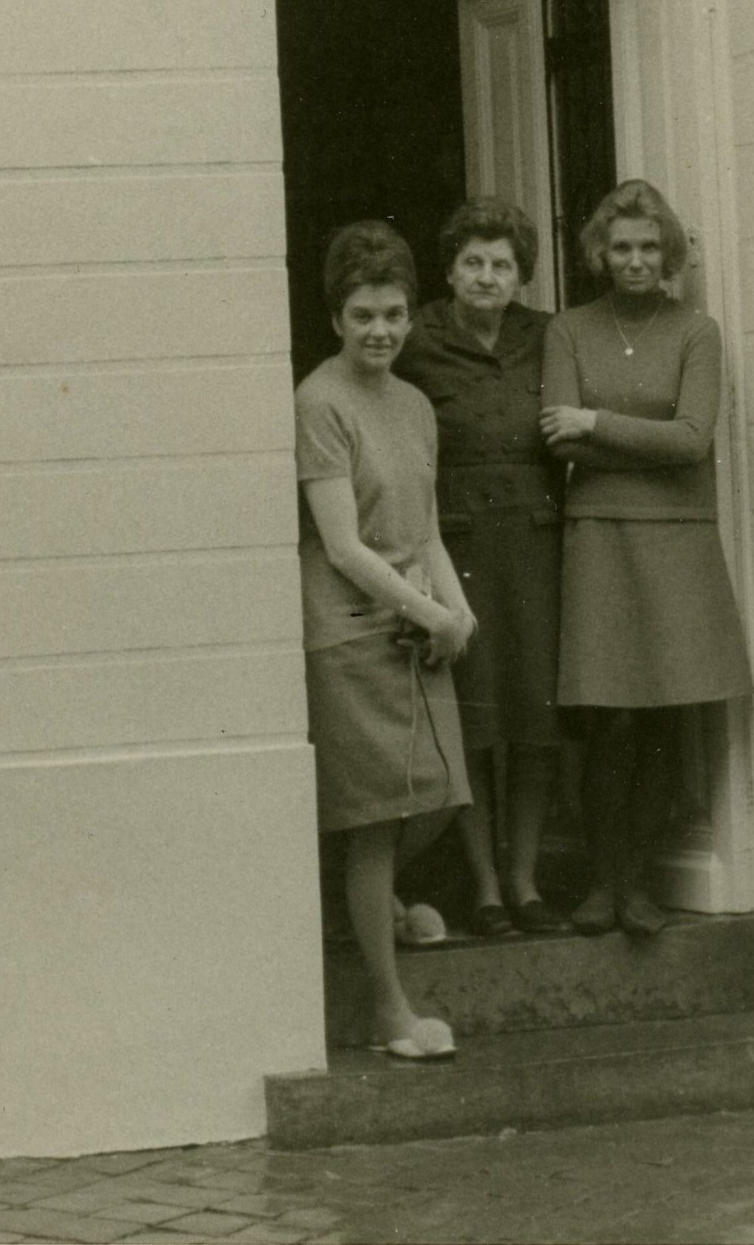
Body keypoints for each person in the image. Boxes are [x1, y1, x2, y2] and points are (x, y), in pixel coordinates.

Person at [539, 181, 753, 938]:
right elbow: (554, 437)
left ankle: (640, 885)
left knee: (666, 716)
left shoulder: (698, 331)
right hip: (599, 535)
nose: (635, 260)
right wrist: (627, 437)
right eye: (622, 247)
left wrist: (597, 420)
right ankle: (602, 882)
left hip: (678, 538)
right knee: (610, 718)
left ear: (669, 255)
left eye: (649, 248)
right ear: (601, 252)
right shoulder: (568, 329)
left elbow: (693, 439)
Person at [296, 220, 478, 1059]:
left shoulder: (413, 404)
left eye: (396, 313)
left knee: (437, 796)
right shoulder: (320, 402)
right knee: (378, 818)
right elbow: (343, 545)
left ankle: (381, 911)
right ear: (337, 317)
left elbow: (427, 525)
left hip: (418, 620)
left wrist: (454, 607)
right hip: (355, 629)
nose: (381, 330)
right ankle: (388, 1009)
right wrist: (423, 610)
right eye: (364, 314)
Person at [395, 199, 570, 938]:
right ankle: (487, 888)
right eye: (473, 262)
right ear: (450, 269)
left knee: (534, 718)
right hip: (455, 544)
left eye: (501, 265)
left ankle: (527, 882)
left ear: (521, 274)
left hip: (535, 541)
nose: (486, 276)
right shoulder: (419, 339)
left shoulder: (548, 336)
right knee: (472, 720)